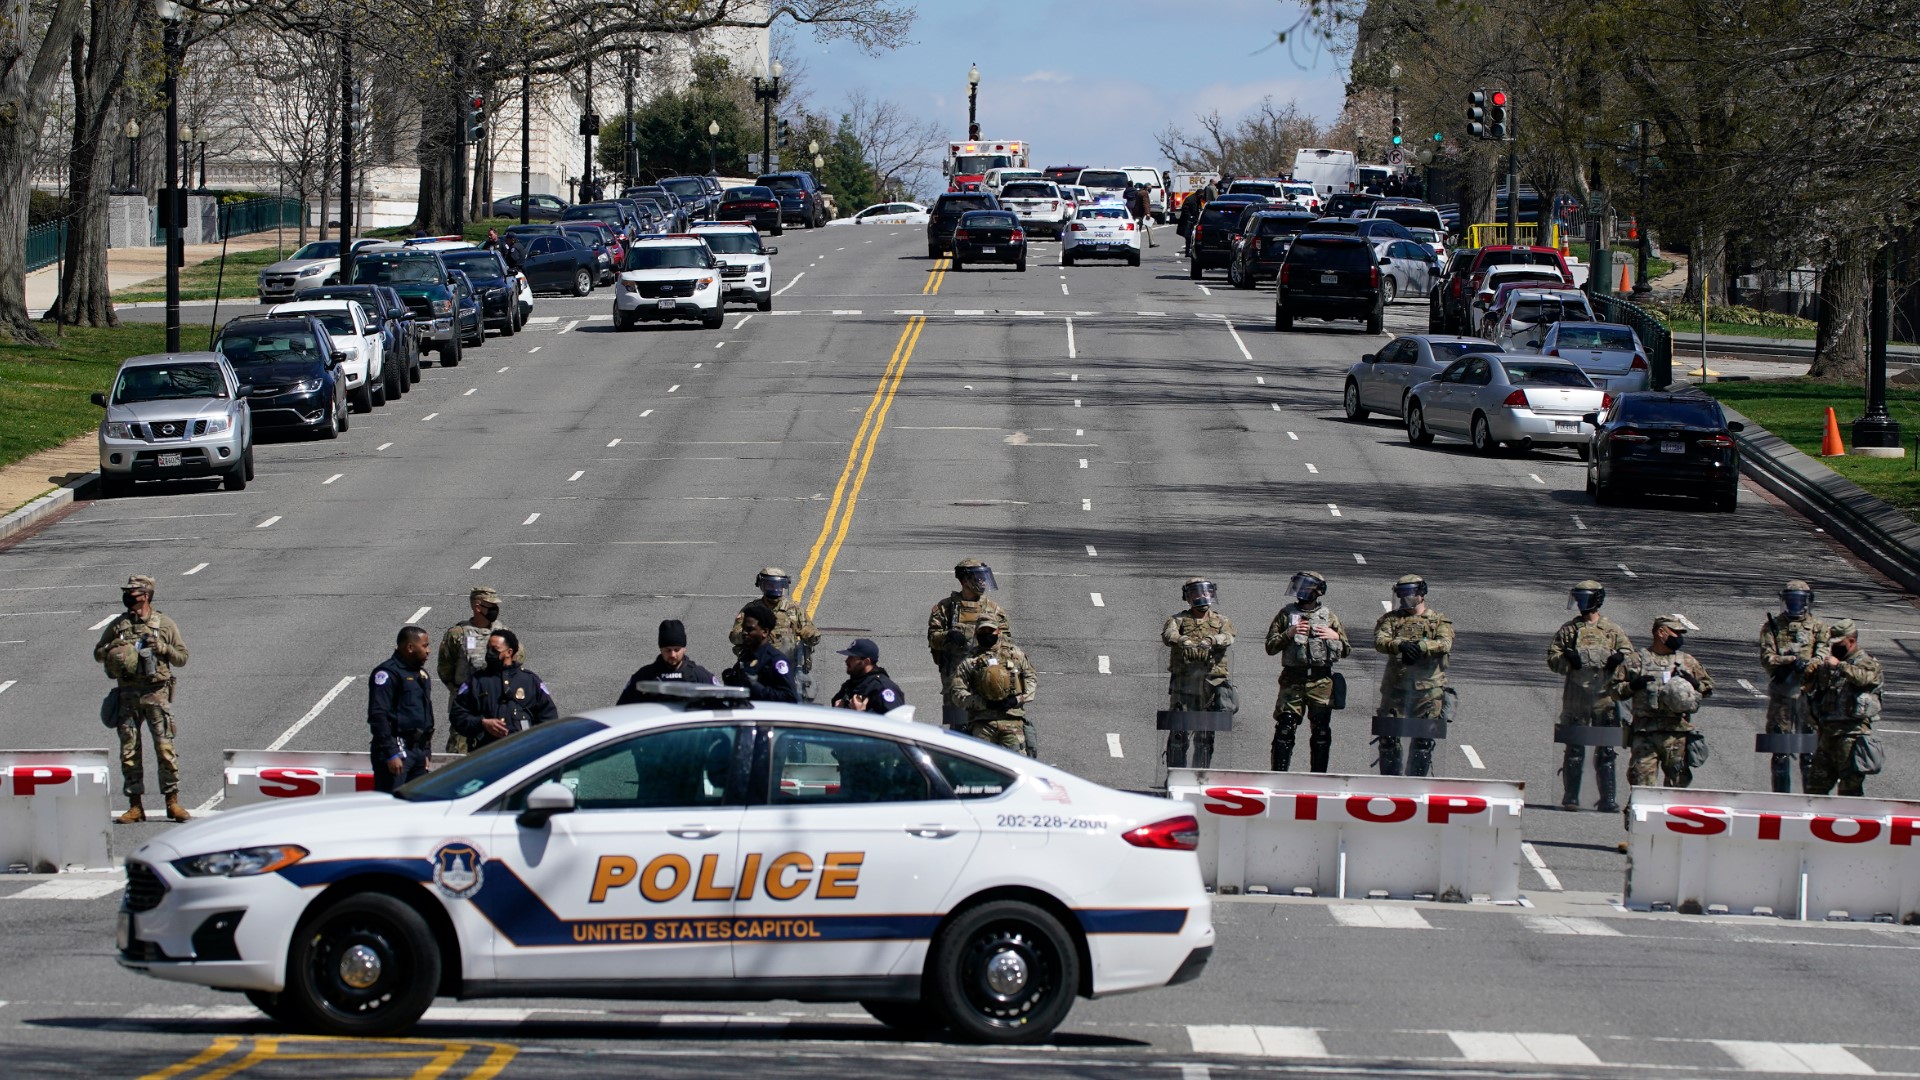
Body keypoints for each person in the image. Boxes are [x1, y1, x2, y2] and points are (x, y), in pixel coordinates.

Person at [93, 574, 191, 822]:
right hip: (127, 696)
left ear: (145, 595)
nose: (128, 597)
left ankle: (172, 801)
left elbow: (182, 657)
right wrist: (111, 649)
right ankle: (135, 805)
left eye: (133, 592)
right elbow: (97, 653)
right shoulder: (119, 625)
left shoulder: (164, 624)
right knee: (129, 752)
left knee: (165, 748)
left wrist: (163, 648)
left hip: (155, 694)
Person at [1545, 580, 1635, 812]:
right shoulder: (1569, 630)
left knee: (1606, 750)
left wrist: (1619, 660)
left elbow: (1631, 658)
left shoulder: (1612, 630)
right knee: (1575, 748)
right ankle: (1571, 796)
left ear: (1596, 600)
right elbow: (1552, 659)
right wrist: (1568, 661)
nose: (1580, 604)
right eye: (1578, 599)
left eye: (1584, 599)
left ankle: (1608, 798)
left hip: (1605, 698)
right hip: (1576, 698)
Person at [1615, 614, 1714, 788]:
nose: (1679, 637)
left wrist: (1695, 684)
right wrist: (1632, 686)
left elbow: (1708, 687)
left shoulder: (1686, 662)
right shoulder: (1636, 661)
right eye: (1675, 632)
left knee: (1677, 788)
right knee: (1641, 788)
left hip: (1676, 735)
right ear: (1661, 633)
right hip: (1645, 734)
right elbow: (1614, 690)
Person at [1265, 571, 1350, 773]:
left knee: (1321, 731)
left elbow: (1346, 649)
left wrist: (1334, 636)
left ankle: (1318, 778)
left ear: (1318, 591)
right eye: (1299, 587)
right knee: (1285, 729)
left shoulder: (1329, 616)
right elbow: (1270, 647)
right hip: (1292, 680)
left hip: (1321, 681)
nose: (1301, 592)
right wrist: (1289, 633)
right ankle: (1279, 776)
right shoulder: (1286, 614)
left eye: (1306, 588)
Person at [1372, 574, 1453, 777]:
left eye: (1409, 593)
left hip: (1428, 690)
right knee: (1388, 738)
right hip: (1396, 688)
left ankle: (1416, 786)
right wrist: (1400, 645)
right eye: (1402, 594)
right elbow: (1380, 640)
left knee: (1423, 742)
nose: (1405, 598)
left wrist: (1423, 646)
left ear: (1421, 594)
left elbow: (1445, 643)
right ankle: (1390, 784)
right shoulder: (1392, 620)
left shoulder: (1438, 620)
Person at [1759, 580, 1827, 792]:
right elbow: (1767, 658)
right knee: (1780, 754)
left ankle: (1810, 801)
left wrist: (1806, 666)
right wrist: (1789, 661)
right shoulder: (1772, 626)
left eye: (1800, 601)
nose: (1795, 605)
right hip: (1782, 697)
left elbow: (1823, 657)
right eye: (1791, 600)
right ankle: (1781, 800)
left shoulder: (1819, 628)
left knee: (1810, 755)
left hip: (1808, 696)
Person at [1802, 620, 1883, 796]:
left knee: (1849, 788)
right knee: (1815, 787)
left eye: (1839, 644)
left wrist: (1840, 666)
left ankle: (1851, 822)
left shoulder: (1866, 662)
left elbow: (1864, 678)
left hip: (1851, 735)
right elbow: (1814, 688)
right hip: (1827, 733)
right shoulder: (1830, 663)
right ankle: (1816, 821)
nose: (1835, 648)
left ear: (1851, 641)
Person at [928, 559, 1013, 724]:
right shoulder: (945, 608)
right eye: (978, 577)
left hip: (988, 677)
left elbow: (1007, 643)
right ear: (965, 581)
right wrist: (947, 636)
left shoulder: (994, 610)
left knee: (986, 729)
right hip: (956, 680)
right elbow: (933, 638)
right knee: (958, 729)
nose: (982, 582)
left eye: (984, 577)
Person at [1162, 578, 1234, 769]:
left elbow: (1228, 637)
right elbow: (1168, 635)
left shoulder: (1221, 620)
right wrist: (1182, 640)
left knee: (1205, 735)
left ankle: (1200, 775)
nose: (1202, 596)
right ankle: (1176, 774)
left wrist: (1213, 640)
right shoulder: (1177, 619)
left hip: (1211, 683)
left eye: (1206, 592)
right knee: (1179, 732)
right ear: (1188, 597)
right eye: (1196, 593)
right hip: (1184, 683)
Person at [438, 585, 519, 753]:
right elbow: (445, 668)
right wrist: (460, 691)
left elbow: (516, 662)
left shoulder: (504, 633)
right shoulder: (457, 634)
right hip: (467, 709)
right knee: (458, 759)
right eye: (491, 606)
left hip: (496, 707)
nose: (495, 610)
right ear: (477, 606)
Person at [450, 629, 558, 751]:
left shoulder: (530, 681)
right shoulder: (476, 682)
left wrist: (537, 745)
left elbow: (549, 718)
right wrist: (482, 723)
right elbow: (458, 716)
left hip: (523, 752)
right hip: (487, 753)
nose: (490, 653)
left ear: (509, 652)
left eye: (495, 650)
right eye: (488, 649)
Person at [729, 567, 821, 700]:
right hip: (756, 664)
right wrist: (751, 633)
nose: (774, 588)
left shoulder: (794, 609)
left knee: (795, 698)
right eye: (770, 584)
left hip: (786, 666)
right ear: (762, 585)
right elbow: (734, 636)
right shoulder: (752, 610)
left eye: (778, 585)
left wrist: (809, 633)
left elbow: (812, 633)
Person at [367, 625, 436, 793]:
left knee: (415, 804)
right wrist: (391, 753)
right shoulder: (387, 674)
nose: (429, 651)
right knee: (392, 804)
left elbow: (425, 716)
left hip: (418, 750)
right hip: (397, 749)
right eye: (425, 645)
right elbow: (378, 715)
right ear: (410, 647)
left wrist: (425, 751)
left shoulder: (421, 675)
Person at [951, 621, 1037, 754]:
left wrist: (1017, 700)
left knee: (1019, 765)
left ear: (998, 631)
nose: (986, 635)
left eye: (990, 631)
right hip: (983, 722)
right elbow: (957, 692)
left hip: (1011, 719)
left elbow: (1031, 678)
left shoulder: (1015, 654)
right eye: (982, 631)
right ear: (976, 633)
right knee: (980, 763)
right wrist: (982, 703)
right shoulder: (970, 661)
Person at [617, 619, 720, 703]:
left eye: (676, 650)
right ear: (661, 649)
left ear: (684, 648)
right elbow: (623, 710)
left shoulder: (700, 676)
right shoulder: (644, 676)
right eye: (668, 650)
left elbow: (722, 705)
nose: (672, 655)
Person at [723, 603, 800, 702]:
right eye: (744, 629)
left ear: (764, 632)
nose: (745, 633)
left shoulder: (776, 661)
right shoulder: (745, 657)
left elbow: (790, 697)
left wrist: (758, 688)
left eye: (750, 629)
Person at [830, 638, 906, 714]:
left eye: (852, 658)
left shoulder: (883, 688)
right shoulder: (852, 684)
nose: (847, 661)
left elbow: (895, 722)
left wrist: (862, 713)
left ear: (866, 662)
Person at [1124, 182, 1155, 248]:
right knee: (1148, 227)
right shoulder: (1144, 193)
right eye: (1150, 188)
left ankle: (1136, 243)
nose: (1150, 190)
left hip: (1138, 213)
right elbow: (1145, 203)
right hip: (1142, 214)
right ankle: (1151, 243)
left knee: (1138, 229)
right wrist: (1147, 213)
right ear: (1147, 188)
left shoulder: (1139, 192)